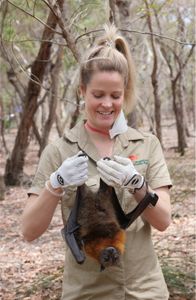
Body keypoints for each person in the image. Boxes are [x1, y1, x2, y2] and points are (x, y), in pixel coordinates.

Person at [22, 24, 172, 300]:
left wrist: (138, 185)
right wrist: (55, 184)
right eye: (98, 95)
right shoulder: (59, 151)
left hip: (144, 290)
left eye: (115, 96)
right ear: (82, 91)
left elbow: (163, 221)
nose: (107, 104)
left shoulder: (146, 144)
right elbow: (29, 231)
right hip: (87, 293)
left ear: (124, 93)